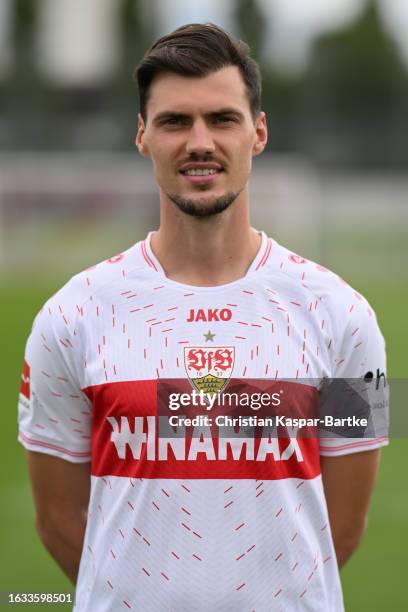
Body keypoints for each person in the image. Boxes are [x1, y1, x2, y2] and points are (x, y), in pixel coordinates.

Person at [18, 23, 388, 611]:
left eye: (222, 119)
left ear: (257, 132)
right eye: (174, 121)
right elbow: (58, 518)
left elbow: (343, 524)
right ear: (142, 135)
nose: (199, 142)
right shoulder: (72, 315)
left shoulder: (343, 315)